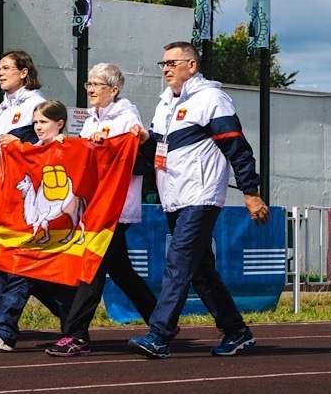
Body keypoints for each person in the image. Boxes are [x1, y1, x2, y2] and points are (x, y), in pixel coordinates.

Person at [126, 41, 270, 359]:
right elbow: (159, 155)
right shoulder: (165, 105)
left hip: (201, 197)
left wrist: (251, 192)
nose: (165, 69)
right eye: (162, 64)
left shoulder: (212, 99)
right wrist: (146, 142)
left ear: (191, 65)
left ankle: (159, 334)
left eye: (171, 63)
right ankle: (236, 331)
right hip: (173, 198)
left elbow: (238, 148)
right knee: (200, 271)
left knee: (178, 263)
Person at [42, 63, 160, 357]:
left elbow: (133, 163)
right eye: (88, 84)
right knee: (121, 271)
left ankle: (76, 334)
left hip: (116, 207)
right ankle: (162, 321)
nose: (91, 90)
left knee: (91, 267)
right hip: (95, 206)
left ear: (114, 90)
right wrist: (66, 144)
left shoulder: (127, 117)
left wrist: (105, 147)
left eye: (96, 84)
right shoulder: (92, 119)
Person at [0, 49, 73, 352]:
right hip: (0, 199)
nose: (0, 73)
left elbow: (47, 149)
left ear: (24, 72)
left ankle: (3, 330)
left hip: (25, 199)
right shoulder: (0, 112)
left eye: (7, 68)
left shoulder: (36, 105)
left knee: (20, 264)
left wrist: (23, 142)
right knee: (1, 263)